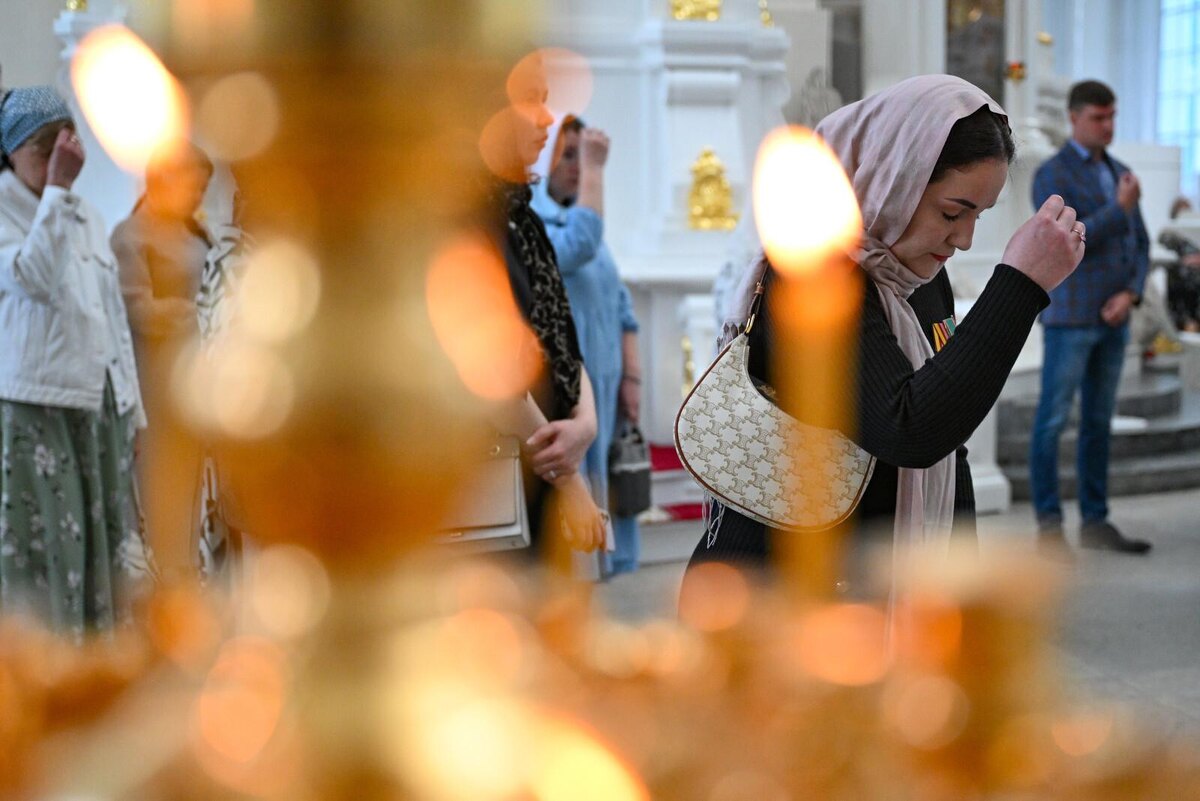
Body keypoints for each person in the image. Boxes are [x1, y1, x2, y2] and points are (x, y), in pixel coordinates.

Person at [685, 75, 1082, 585]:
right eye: (952, 212)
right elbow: (907, 427)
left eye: (979, 215)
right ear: (896, 178)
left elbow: (947, 436)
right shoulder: (812, 272)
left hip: (865, 588)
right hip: (771, 596)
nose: (963, 239)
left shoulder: (916, 274)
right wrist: (1020, 286)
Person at [0, 85, 153, 635]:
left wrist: (133, 410)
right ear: (12, 152)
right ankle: (40, 673)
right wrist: (57, 191)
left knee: (106, 548)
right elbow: (31, 278)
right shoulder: (7, 209)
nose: (55, 160)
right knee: (48, 551)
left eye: (62, 146)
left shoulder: (86, 214)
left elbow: (110, 314)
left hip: (99, 402)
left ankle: (98, 665)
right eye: (42, 149)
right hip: (38, 407)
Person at [477, 53, 607, 561]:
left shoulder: (521, 219)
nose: (548, 120)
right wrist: (568, 474)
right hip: (493, 478)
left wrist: (588, 422)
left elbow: (562, 341)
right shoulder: (461, 217)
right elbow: (489, 363)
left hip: (538, 468)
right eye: (530, 100)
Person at [1030, 80, 1152, 557]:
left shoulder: (1120, 171)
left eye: (1112, 116)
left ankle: (1096, 521)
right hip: (1071, 317)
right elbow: (1067, 238)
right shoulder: (1051, 174)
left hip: (1114, 318)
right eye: (1099, 118)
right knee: (1051, 422)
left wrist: (1132, 294)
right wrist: (1118, 208)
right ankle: (1048, 527)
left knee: (1098, 422)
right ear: (1074, 118)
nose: (1108, 126)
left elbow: (1139, 243)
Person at [531, 115, 644, 576]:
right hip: (568, 383)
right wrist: (597, 171)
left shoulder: (583, 219)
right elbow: (578, 244)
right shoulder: (538, 223)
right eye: (568, 154)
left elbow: (621, 304)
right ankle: (582, 570)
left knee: (616, 477)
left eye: (584, 154)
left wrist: (632, 376)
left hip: (609, 377)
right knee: (579, 481)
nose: (578, 165)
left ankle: (614, 562)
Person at [111, 142, 214, 574]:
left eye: (203, 191)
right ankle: (163, 589)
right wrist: (196, 312)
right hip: (152, 377)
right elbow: (134, 308)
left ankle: (190, 576)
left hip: (196, 376)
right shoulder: (130, 235)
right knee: (158, 488)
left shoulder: (196, 233)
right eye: (193, 187)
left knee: (193, 488)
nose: (197, 198)